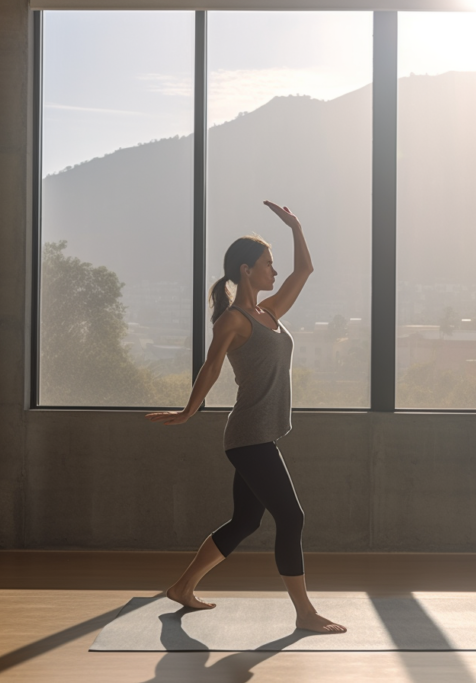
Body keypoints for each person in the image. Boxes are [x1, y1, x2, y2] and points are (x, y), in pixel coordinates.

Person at [145, 200, 347, 635]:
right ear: (245, 270)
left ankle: (182, 587)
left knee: (246, 520)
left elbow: (305, 270)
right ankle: (305, 613)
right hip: (248, 436)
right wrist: (188, 411)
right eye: (267, 265)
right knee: (291, 518)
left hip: (261, 435)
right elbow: (212, 367)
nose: (274, 272)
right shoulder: (233, 322)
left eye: (274, 265)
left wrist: (295, 226)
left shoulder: (269, 312)